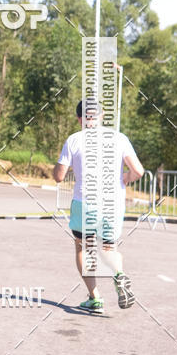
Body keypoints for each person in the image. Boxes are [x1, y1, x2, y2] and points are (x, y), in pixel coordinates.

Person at [53, 98, 144, 314]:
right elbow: (138, 171)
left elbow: (59, 176)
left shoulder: (74, 140)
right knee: (109, 247)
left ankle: (94, 297)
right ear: (102, 116)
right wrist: (125, 177)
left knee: (82, 247)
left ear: (79, 119)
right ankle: (119, 275)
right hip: (113, 204)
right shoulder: (120, 138)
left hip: (85, 202)